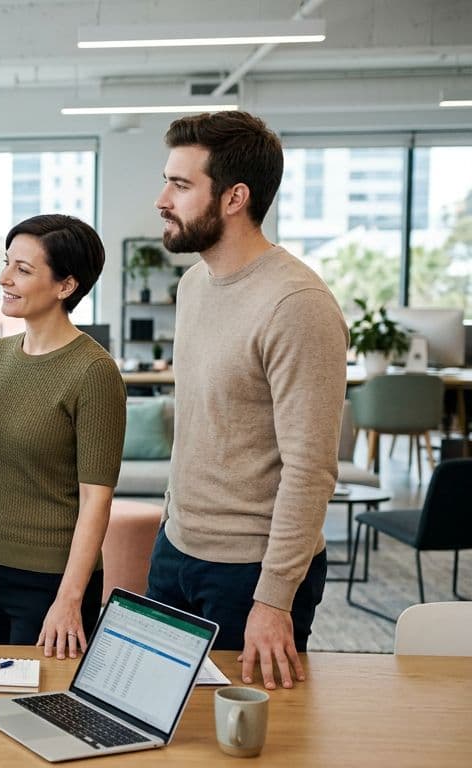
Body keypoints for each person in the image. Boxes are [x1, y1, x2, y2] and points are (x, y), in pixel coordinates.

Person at [146, 111, 348, 690]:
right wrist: (169, 526)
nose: (162, 199)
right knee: (164, 725)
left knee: (244, 742)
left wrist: (275, 598)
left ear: (235, 198)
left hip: (249, 572)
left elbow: (310, 469)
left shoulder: (296, 304)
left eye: (181, 185)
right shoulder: (192, 285)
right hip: (177, 546)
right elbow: (205, 427)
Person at [0, 214, 126, 659]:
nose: (4, 278)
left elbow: (96, 500)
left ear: (66, 286)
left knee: (37, 713)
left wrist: (69, 599)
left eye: (23, 270)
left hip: (48, 580)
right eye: (8, 263)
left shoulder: (93, 372)